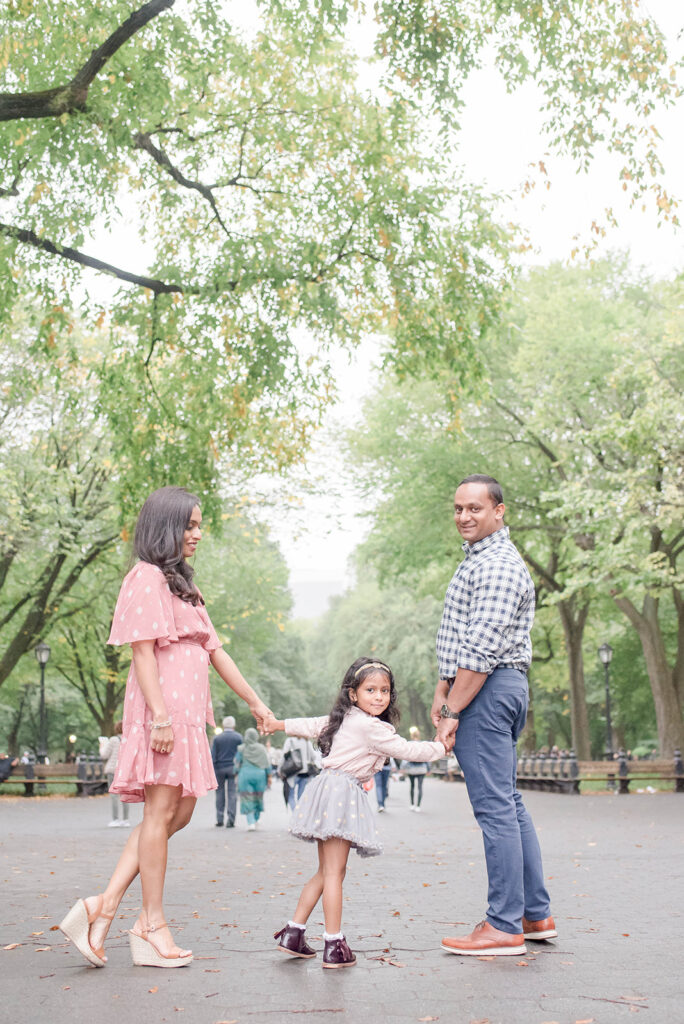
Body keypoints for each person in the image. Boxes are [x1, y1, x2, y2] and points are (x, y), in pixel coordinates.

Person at [59, 486, 272, 969]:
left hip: (191, 719)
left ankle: (103, 905)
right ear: (165, 527)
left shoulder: (183, 585)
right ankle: (150, 924)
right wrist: (159, 717)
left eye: (199, 525)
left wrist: (255, 702)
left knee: (179, 814)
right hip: (163, 717)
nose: (197, 534)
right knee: (159, 816)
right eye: (189, 525)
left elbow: (215, 650)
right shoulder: (146, 577)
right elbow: (141, 651)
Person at [432, 474, 556, 957]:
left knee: (495, 808)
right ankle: (533, 914)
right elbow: (459, 639)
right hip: (487, 685)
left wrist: (451, 707)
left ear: (499, 511)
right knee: (509, 802)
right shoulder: (479, 561)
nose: (464, 516)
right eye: (458, 508)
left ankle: (504, 925)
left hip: (487, 687)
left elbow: (480, 649)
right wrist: (444, 689)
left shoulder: (499, 565)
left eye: (475, 509)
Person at [265, 657, 447, 968]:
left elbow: (310, 724)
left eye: (385, 691)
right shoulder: (368, 726)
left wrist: (278, 724)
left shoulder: (345, 719)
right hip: (341, 793)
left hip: (328, 790)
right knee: (335, 873)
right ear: (354, 694)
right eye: (371, 690)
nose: (379, 697)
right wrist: (442, 747)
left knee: (326, 872)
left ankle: (294, 933)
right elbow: (408, 750)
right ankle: (334, 943)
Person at [235, 728, 271, 831]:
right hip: (260, 776)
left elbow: (237, 763)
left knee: (247, 798)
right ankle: (256, 818)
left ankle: (250, 822)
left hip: (245, 775)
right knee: (258, 797)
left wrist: (235, 772)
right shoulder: (261, 748)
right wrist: (269, 776)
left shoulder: (241, 748)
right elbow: (267, 764)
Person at [211, 715, 242, 828]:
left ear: (224, 725)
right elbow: (240, 754)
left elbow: (213, 756)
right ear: (233, 725)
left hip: (219, 768)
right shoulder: (238, 737)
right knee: (232, 794)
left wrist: (213, 770)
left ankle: (219, 819)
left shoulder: (217, 738)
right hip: (233, 768)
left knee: (219, 793)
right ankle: (231, 819)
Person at [100, 721, 130, 828]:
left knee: (114, 796)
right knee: (125, 795)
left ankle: (115, 819)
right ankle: (126, 820)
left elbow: (104, 755)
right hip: (125, 770)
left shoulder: (113, 740)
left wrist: (102, 746)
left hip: (112, 770)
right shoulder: (129, 739)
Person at [281, 733, 320, 809]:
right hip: (305, 774)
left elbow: (284, 756)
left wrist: (280, 769)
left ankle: (295, 815)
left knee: (290, 796)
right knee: (301, 797)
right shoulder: (307, 742)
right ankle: (299, 816)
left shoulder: (290, 741)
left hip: (292, 772)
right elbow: (314, 756)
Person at [400, 726, 430, 812]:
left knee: (412, 786)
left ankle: (412, 804)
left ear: (411, 735)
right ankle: (418, 806)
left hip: (411, 769)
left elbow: (405, 757)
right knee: (420, 787)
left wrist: (402, 767)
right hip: (421, 769)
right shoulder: (422, 744)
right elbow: (426, 757)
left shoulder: (409, 744)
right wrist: (428, 769)